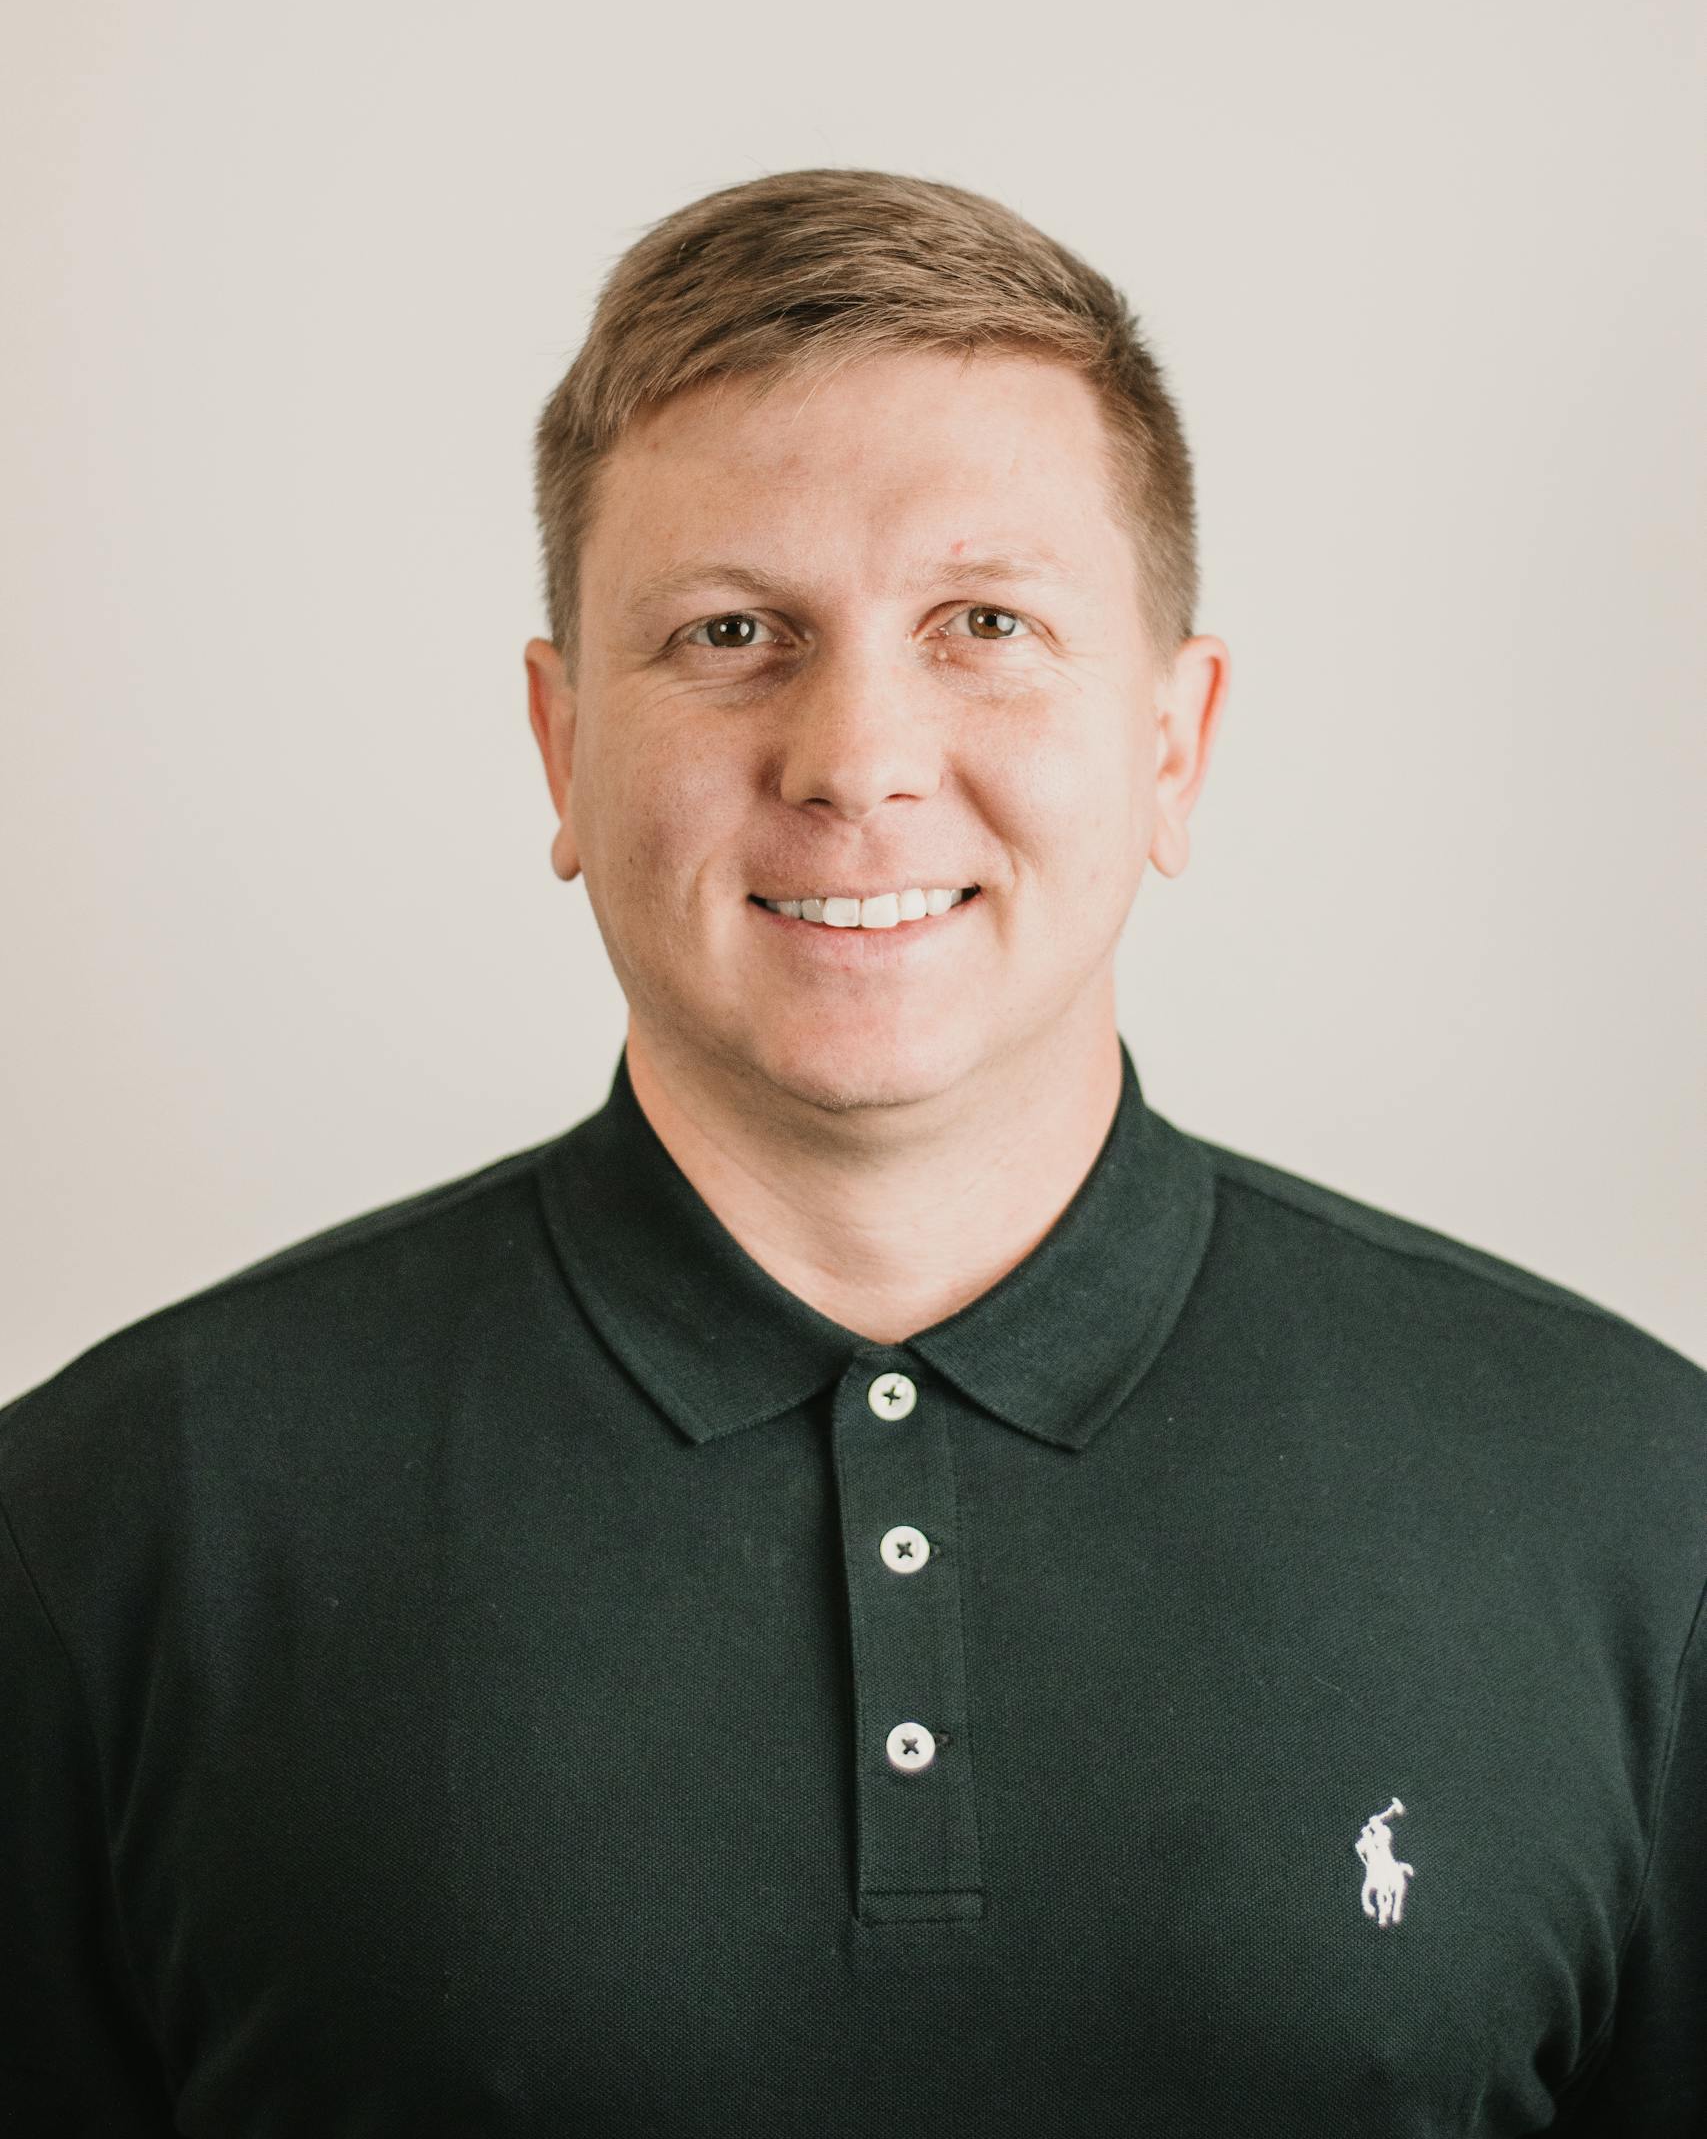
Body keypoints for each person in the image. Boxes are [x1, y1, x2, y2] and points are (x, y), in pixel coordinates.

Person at [2, 167, 1701, 2136]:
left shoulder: (1630, 1508)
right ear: (561, 744)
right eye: (733, 631)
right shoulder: (114, 1530)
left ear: (1172, 736)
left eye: (983, 620)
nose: (855, 757)